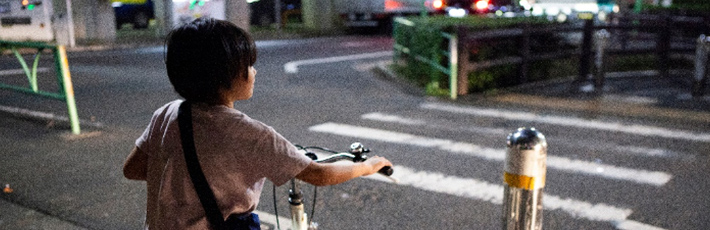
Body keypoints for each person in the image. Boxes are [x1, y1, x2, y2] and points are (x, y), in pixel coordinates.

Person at [122, 17, 392, 230]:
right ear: (228, 74)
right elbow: (319, 175)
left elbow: (133, 169)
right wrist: (367, 166)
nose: (254, 71)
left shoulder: (166, 114)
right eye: (249, 65)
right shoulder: (252, 136)